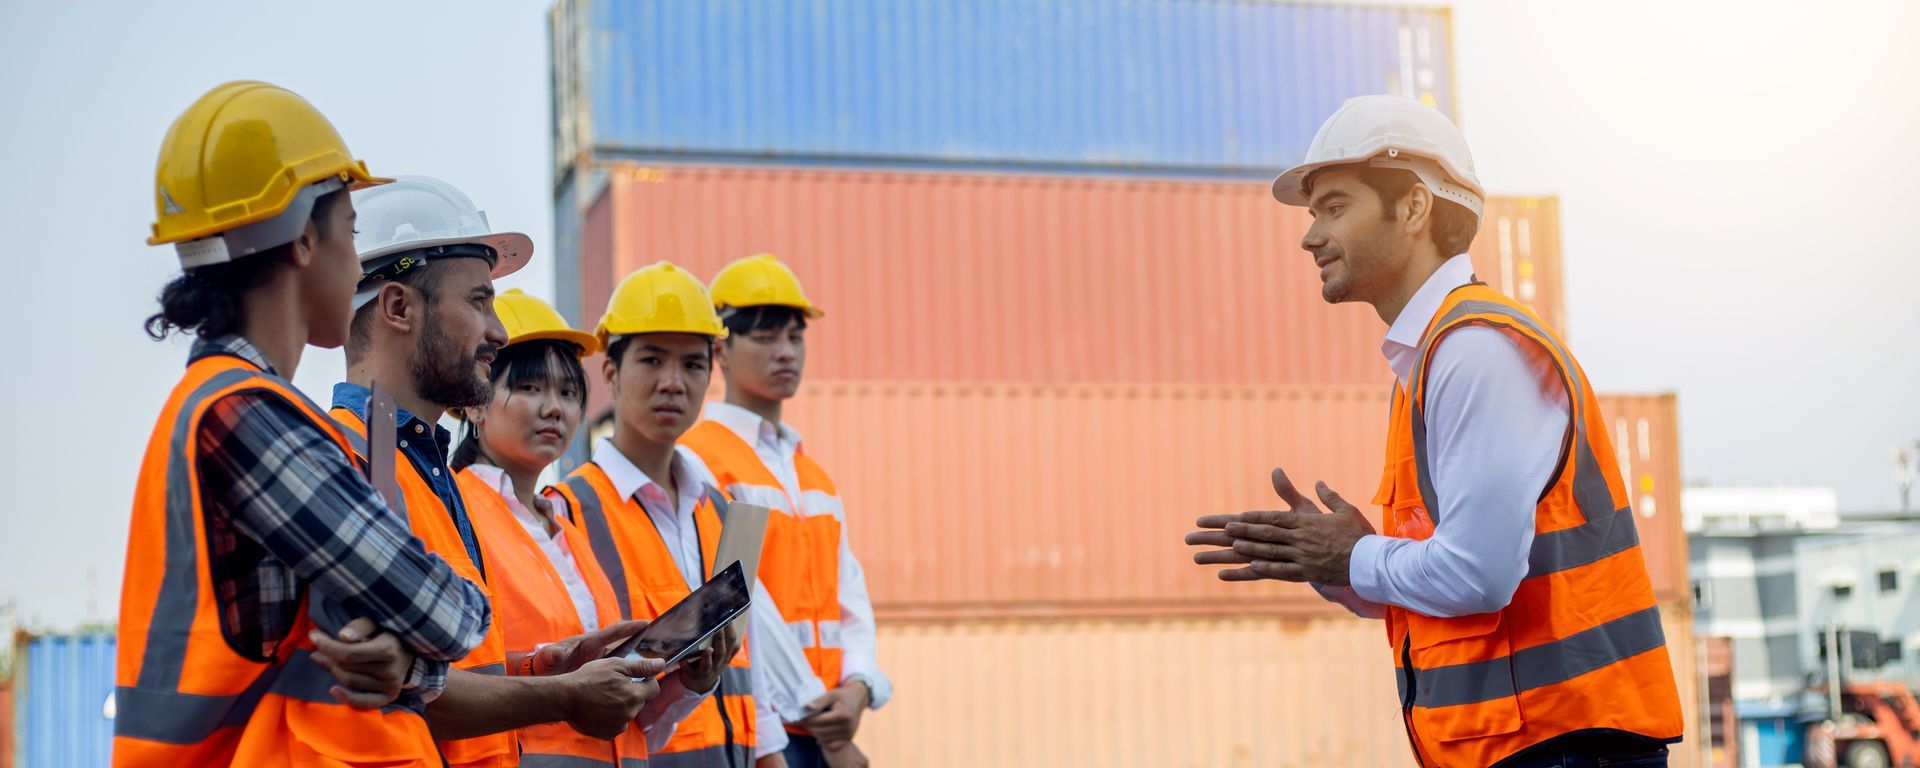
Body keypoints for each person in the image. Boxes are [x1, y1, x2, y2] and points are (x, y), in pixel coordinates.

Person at [1186, 95, 1683, 768]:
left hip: (1558, 748)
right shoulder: (1431, 358)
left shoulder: (1474, 350)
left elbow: (1478, 575)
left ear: (1414, 207)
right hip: (1528, 747)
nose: (1309, 238)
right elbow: (1440, 588)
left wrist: (1353, 556)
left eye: (1334, 208)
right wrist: (1329, 564)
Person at [117, 81, 491, 767]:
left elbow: (335, 650)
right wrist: (423, 646)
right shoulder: (246, 418)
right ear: (301, 243)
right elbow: (450, 614)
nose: (357, 262)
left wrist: (405, 665)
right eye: (349, 232)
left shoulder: (218, 405)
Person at [335, 175, 664, 767]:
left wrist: (548, 666)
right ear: (398, 307)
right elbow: (404, 688)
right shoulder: (351, 461)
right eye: (478, 301)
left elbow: (439, 670)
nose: (498, 331)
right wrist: (562, 695)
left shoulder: (421, 469)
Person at [450, 288, 723, 766]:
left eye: (569, 392)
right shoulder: (458, 514)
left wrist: (687, 684)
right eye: (530, 388)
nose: (554, 408)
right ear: (474, 403)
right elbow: (445, 686)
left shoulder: (566, 531)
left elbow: (626, 721)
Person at [546, 262, 764, 767]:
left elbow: (754, 663)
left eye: (692, 365)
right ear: (610, 372)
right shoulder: (567, 511)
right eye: (652, 360)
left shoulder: (720, 510)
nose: (673, 382)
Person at [681, 254, 888, 768]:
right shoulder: (700, 458)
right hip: (762, 725)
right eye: (767, 337)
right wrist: (822, 714)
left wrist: (860, 686)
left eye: (795, 337)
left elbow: (850, 595)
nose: (786, 352)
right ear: (721, 350)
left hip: (829, 719)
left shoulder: (812, 474)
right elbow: (738, 600)